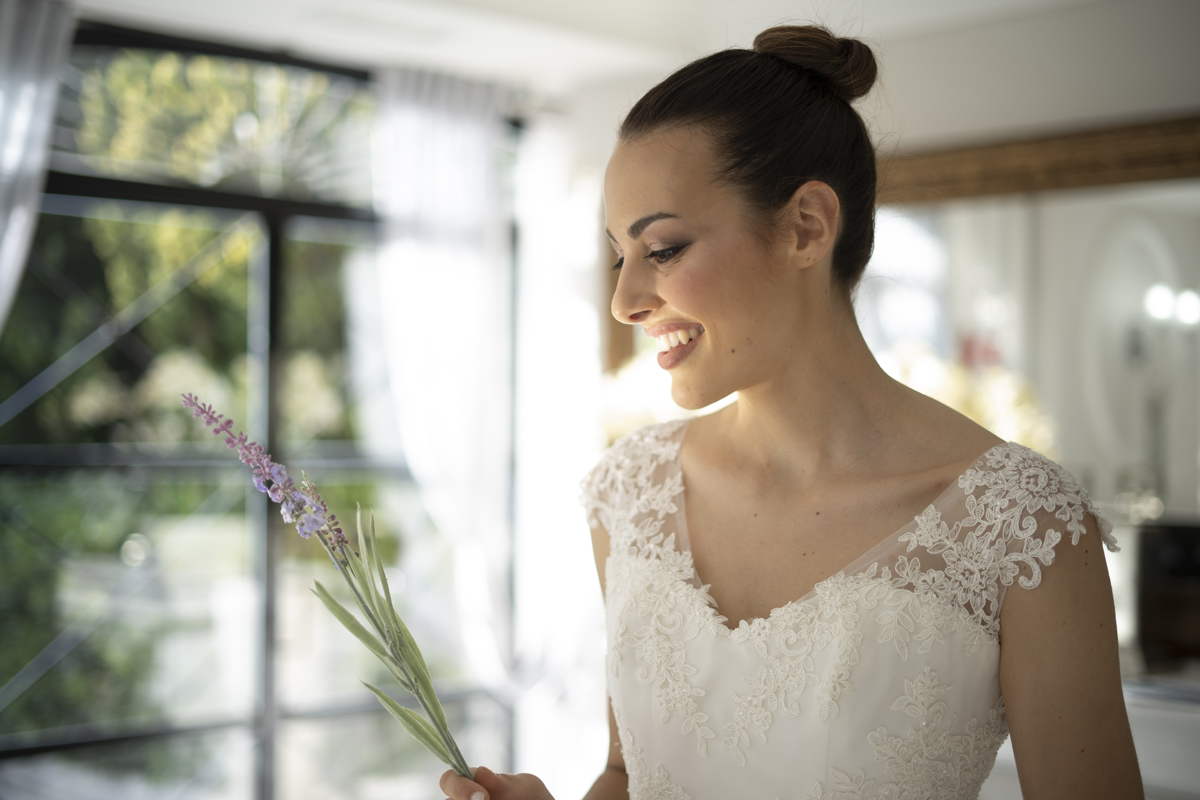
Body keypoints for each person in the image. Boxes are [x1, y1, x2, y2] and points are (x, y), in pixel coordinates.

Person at [441, 23, 1143, 800]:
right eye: (619, 254)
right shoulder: (629, 494)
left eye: (663, 249)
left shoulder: (1023, 527)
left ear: (807, 226)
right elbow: (629, 774)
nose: (626, 300)